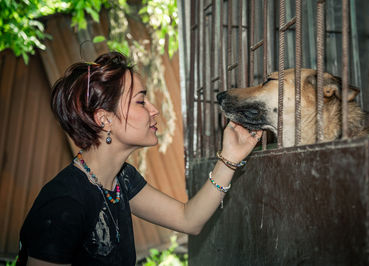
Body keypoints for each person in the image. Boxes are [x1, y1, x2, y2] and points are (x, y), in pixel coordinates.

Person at [17, 52, 262, 266]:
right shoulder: (64, 202)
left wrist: (230, 157)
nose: (153, 110)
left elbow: (189, 220)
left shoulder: (121, 179)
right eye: (141, 101)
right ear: (104, 119)